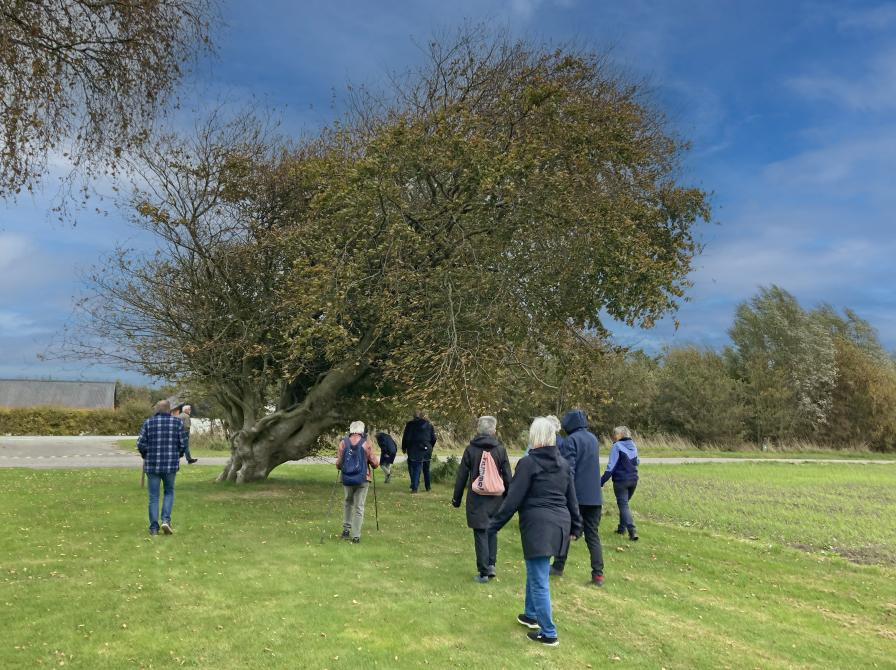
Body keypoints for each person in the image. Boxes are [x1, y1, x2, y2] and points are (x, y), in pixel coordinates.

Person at [489, 417, 583, 647]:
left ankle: (549, 633)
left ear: (535, 437)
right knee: (536, 570)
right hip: (560, 525)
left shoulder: (528, 463)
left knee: (539, 579)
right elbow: (572, 499)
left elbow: (513, 499)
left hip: (540, 527)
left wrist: (493, 525)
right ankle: (530, 615)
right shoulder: (563, 464)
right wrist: (576, 525)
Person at [451, 416, 513, 583]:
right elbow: (507, 474)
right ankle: (491, 564)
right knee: (492, 530)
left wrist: (456, 498)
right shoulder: (500, 449)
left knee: (480, 532)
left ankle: (483, 572)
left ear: (478, 430)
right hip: (496, 498)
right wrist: (509, 496)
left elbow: (462, 475)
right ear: (493, 431)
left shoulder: (471, 449)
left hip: (477, 498)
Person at [552, 409, 605, 585]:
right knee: (592, 535)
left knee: (566, 531)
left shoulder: (571, 441)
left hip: (577, 496)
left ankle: (558, 566)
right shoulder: (593, 439)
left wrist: (565, 492)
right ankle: (598, 574)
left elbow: (569, 470)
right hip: (595, 496)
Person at [136, 400, 186, 536]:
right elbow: (183, 445)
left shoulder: (148, 423)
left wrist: (145, 454)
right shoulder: (177, 423)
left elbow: (140, 443)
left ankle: (153, 528)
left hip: (152, 465)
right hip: (170, 464)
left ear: (157, 410)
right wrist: (177, 455)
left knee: (153, 496)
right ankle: (165, 520)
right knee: (169, 492)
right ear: (169, 410)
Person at [336, 421, 379, 543]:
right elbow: (375, 463)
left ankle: (345, 530)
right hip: (362, 479)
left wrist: (340, 467)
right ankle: (356, 536)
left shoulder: (343, 443)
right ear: (362, 430)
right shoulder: (366, 443)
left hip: (347, 478)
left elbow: (339, 463)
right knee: (359, 507)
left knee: (348, 503)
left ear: (350, 430)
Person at [601, 426, 640, 541]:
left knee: (623, 505)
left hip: (621, 481)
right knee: (625, 505)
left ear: (621, 435)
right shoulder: (633, 445)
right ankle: (621, 528)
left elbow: (610, 467)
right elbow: (636, 462)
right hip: (633, 480)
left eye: (615, 434)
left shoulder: (617, 446)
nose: (613, 436)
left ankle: (632, 531)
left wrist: (601, 481)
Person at [401, 410, 436, 493]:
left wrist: (404, 447)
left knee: (416, 468)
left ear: (414, 416)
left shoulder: (410, 425)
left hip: (415, 448)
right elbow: (434, 438)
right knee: (426, 469)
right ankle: (428, 487)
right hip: (427, 448)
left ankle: (414, 488)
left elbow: (407, 437)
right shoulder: (429, 425)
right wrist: (430, 446)